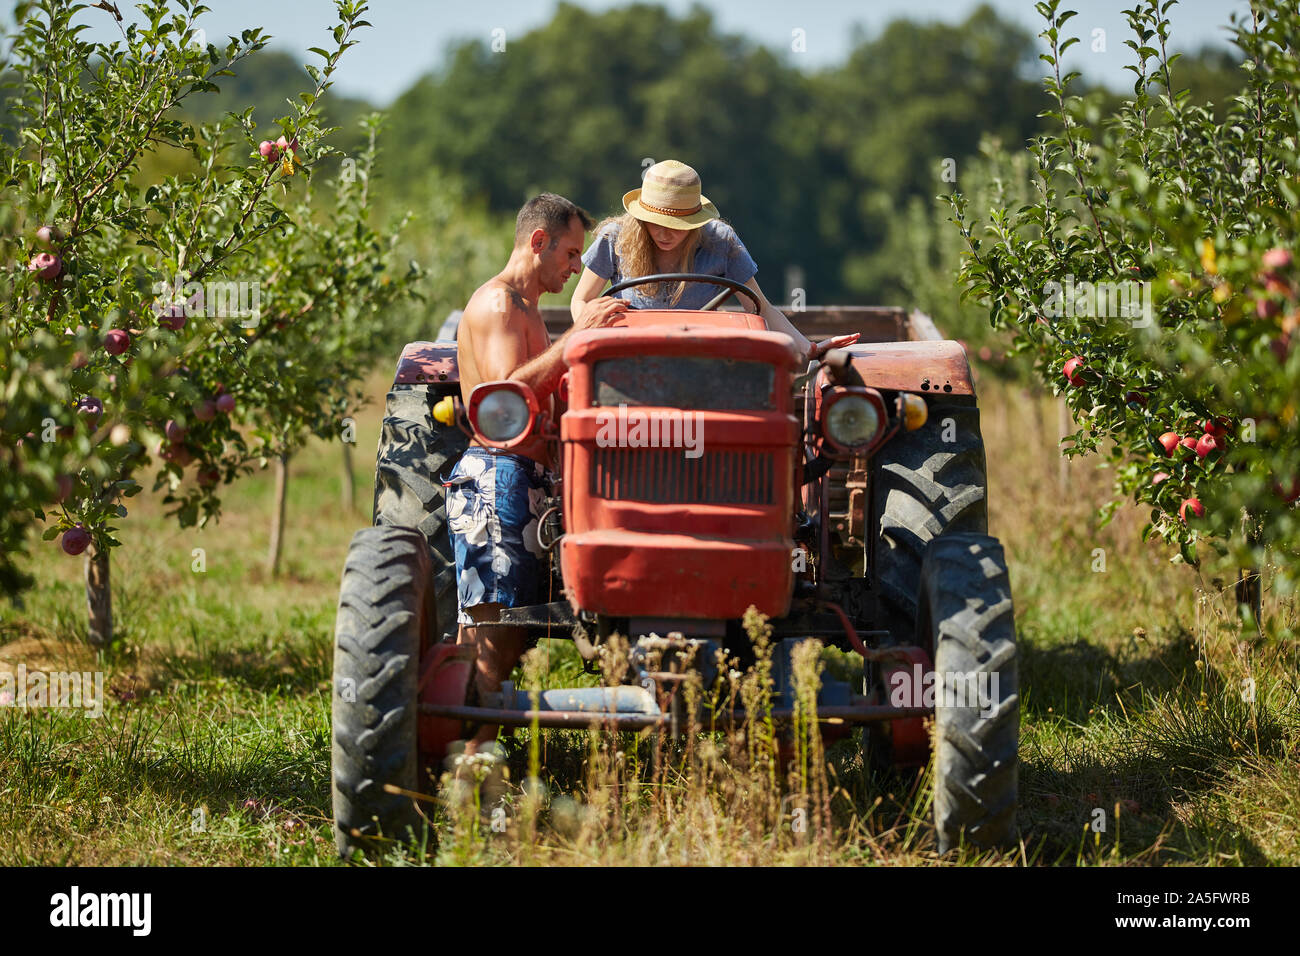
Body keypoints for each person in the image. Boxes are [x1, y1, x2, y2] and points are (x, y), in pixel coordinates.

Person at [450, 193, 627, 756]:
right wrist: (578, 340)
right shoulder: (500, 306)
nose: (576, 268)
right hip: (498, 473)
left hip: (524, 477)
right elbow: (507, 398)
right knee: (491, 629)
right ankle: (471, 762)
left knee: (511, 628)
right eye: (571, 254)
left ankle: (477, 753)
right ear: (537, 241)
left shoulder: (526, 310)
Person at [569, 159, 858, 360]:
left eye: (677, 225)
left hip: (701, 364)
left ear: (694, 223)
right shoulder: (615, 238)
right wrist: (594, 340)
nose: (664, 233)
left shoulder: (720, 242)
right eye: (654, 222)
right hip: (627, 359)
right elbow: (580, 301)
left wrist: (808, 348)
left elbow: (760, 308)